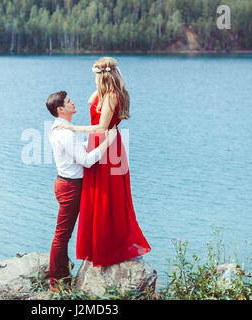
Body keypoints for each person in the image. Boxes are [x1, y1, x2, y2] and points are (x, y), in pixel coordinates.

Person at [56, 57, 151, 267]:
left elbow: (100, 127)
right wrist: (100, 82)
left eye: (96, 76)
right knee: (97, 195)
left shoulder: (111, 97)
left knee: (106, 198)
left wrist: (72, 128)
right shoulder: (105, 94)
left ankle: (107, 247)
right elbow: (90, 101)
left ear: (102, 76)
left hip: (107, 149)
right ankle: (97, 246)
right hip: (100, 146)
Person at [46, 91, 118, 292]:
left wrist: (97, 139)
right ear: (61, 109)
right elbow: (86, 161)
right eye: (69, 102)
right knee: (62, 235)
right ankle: (56, 282)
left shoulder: (60, 129)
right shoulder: (65, 133)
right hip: (70, 187)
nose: (73, 102)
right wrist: (107, 142)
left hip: (67, 183)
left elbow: (78, 150)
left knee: (63, 234)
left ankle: (61, 276)